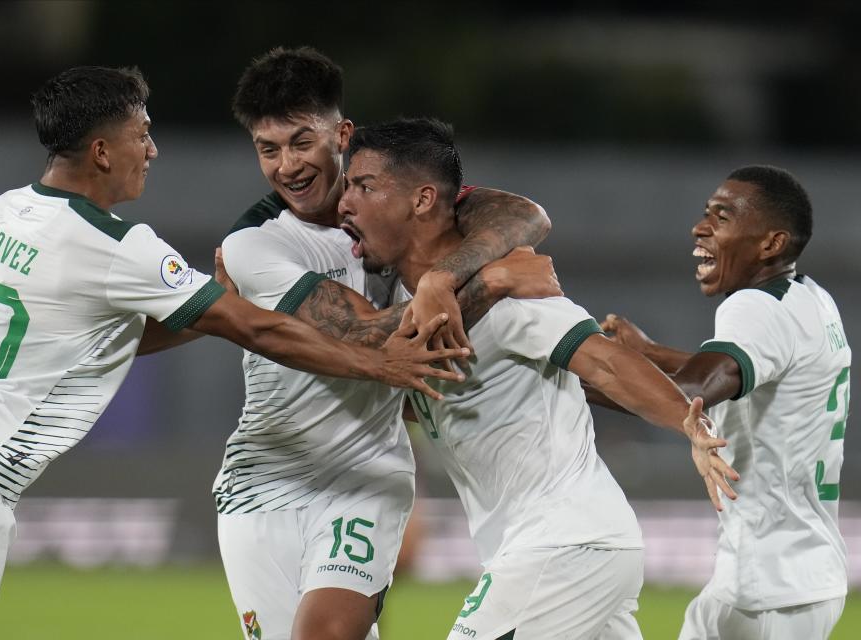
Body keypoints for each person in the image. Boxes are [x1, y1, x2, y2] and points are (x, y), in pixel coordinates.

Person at [0, 66, 467, 640]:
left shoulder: (8, 210)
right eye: (140, 134)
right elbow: (258, 331)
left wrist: (209, 303)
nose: (152, 149)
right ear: (101, 151)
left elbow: (94, 339)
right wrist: (380, 364)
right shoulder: (119, 247)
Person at [337, 116, 739, 639]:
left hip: (562, 546)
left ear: (421, 200)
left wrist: (689, 426)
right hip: (566, 548)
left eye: (364, 186)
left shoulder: (514, 289)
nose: (345, 202)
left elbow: (603, 360)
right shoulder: (401, 302)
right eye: (347, 186)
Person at [215, 47, 561, 640]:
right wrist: (494, 280)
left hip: (367, 473)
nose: (287, 166)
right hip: (265, 476)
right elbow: (369, 338)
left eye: (302, 142)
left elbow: (526, 215)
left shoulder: (392, 202)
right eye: (267, 150)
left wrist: (440, 278)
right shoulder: (254, 245)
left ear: (341, 134)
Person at [598, 165, 849, 640]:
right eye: (706, 213)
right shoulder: (812, 300)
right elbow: (743, 372)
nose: (700, 227)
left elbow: (691, 394)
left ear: (770, 244)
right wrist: (650, 354)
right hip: (785, 574)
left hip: (774, 588)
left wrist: (569, 369)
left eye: (722, 216)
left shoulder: (753, 307)